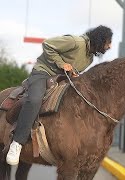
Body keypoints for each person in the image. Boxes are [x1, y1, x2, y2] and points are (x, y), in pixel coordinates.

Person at [6, 25, 113, 165]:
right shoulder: (76, 42)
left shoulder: (90, 59)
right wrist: (61, 63)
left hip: (61, 80)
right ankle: (17, 143)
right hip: (43, 73)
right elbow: (47, 44)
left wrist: (73, 73)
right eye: (108, 42)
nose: (109, 46)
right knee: (35, 99)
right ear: (100, 39)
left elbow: (71, 70)